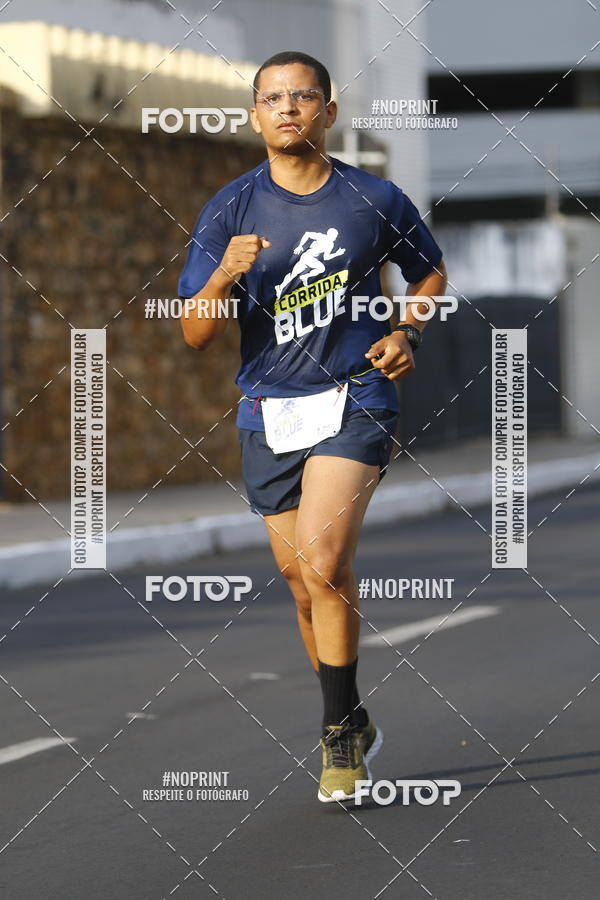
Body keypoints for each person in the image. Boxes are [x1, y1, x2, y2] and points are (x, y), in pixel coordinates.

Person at [179, 50, 447, 803]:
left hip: (357, 395)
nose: (287, 108)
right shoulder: (229, 210)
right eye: (272, 98)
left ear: (328, 112)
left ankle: (336, 738)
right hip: (269, 407)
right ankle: (352, 713)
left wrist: (410, 331)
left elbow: (429, 270)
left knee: (325, 561)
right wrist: (225, 275)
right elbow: (195, 335)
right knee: (302, 584)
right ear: (255, 115)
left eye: (303, 97)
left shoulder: (373, 199)